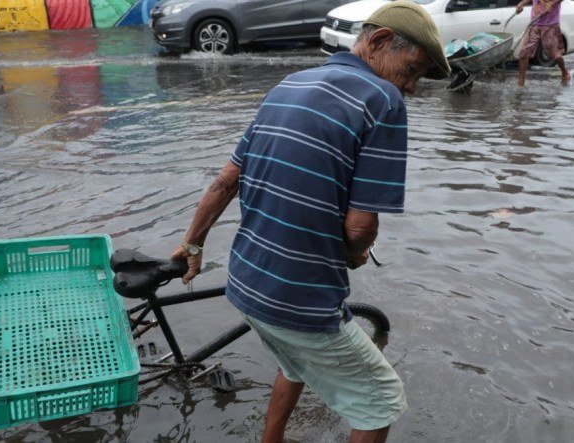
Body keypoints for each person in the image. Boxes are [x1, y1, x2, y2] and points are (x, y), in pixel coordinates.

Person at [171, 2, 449, 441]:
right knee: (381, 399)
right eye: (413, 70)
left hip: (244, 284)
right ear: (377, 42)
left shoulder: (290, 82)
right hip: (299, 299)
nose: (412, 87)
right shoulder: (383, 99)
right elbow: (360, 228)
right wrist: (355, 255)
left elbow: (226, 181)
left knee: (295, 361)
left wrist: (191, 246)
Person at [516, 0, 571, 86]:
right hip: (534, 23)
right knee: (524, 53)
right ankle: (520, 83)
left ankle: (565, 72)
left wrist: (552, 3)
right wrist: (521, 4)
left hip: (550, 25)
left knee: (555, 55)